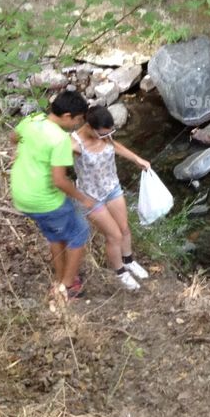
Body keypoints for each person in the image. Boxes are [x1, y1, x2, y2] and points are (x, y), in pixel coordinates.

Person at [10, 91, 93, 300]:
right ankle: (66, 287)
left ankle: (60, 277)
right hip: (44, 200)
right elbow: (60, 181)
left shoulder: (32, 120)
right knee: (80, 232)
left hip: (21, 194)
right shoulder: (59, 140)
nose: (78, 124)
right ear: (67, 116)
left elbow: (13, 137)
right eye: (78, 119)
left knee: (56, 234)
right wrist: (82, 198)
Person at [71, 105, 151, 291]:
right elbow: (56, 168)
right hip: (90, 197)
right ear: (89, 127)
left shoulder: (105, 135)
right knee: (113, 235)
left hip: (112, 188)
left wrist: (136, 159)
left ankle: (129, 261)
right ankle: (120, 272)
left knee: (124, 229)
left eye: (109, 133)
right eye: (102, 134)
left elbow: (115, 146)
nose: (105, 136)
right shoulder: (74, 144)